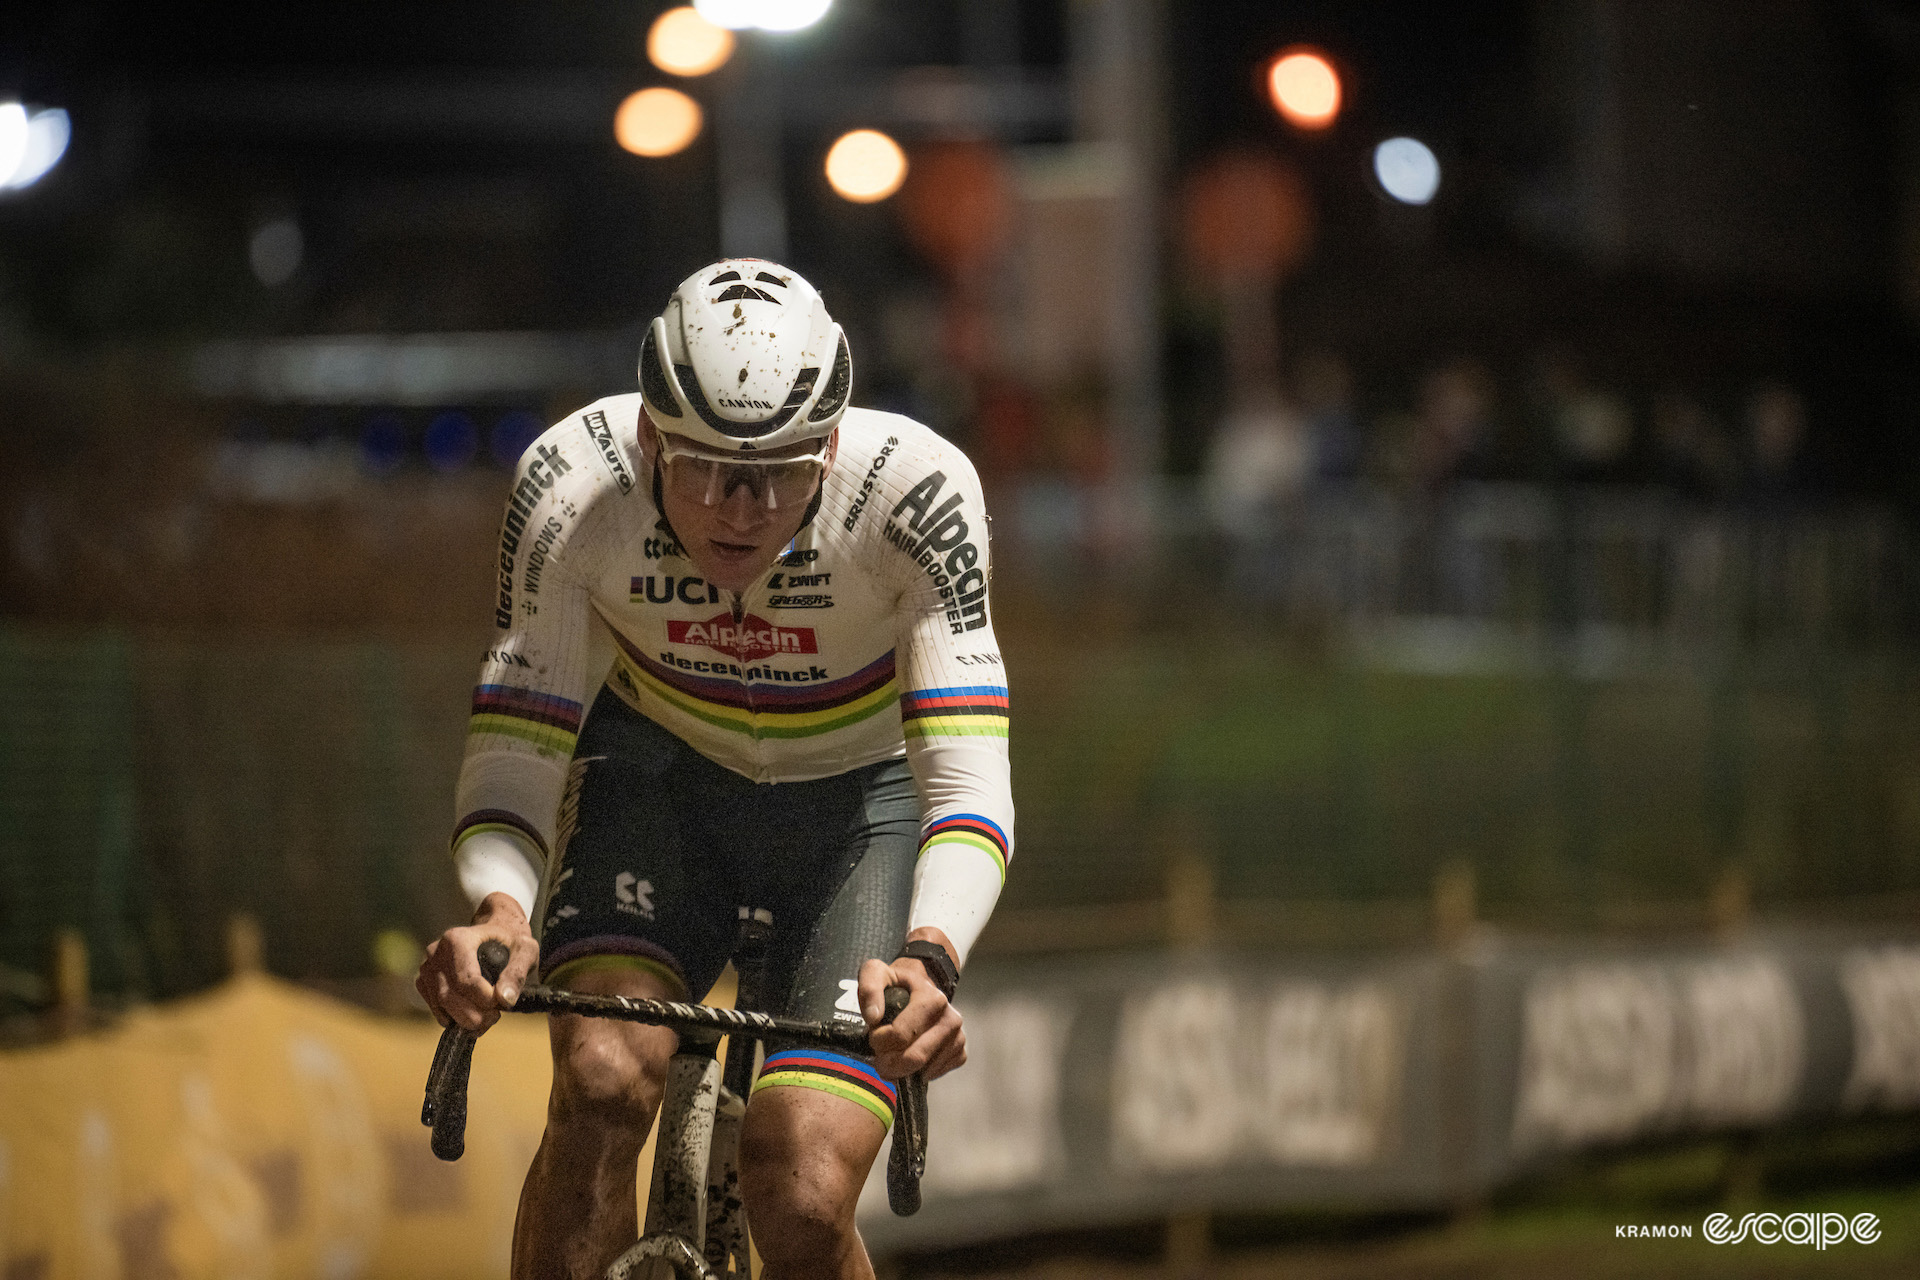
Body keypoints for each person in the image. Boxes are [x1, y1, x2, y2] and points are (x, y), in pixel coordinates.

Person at [414, 260, 1013, 1280]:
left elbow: (965, 778)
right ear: (647, 434)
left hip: (857, 814)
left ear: (831, 443)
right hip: (660, 782)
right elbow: (518, 744)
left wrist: (932, 956)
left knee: (805, 1184)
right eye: (699, 467)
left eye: (782, 471)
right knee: (600, 1080)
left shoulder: (915, 494)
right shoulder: (573, 484)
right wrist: (501, 911)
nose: (741, 507)